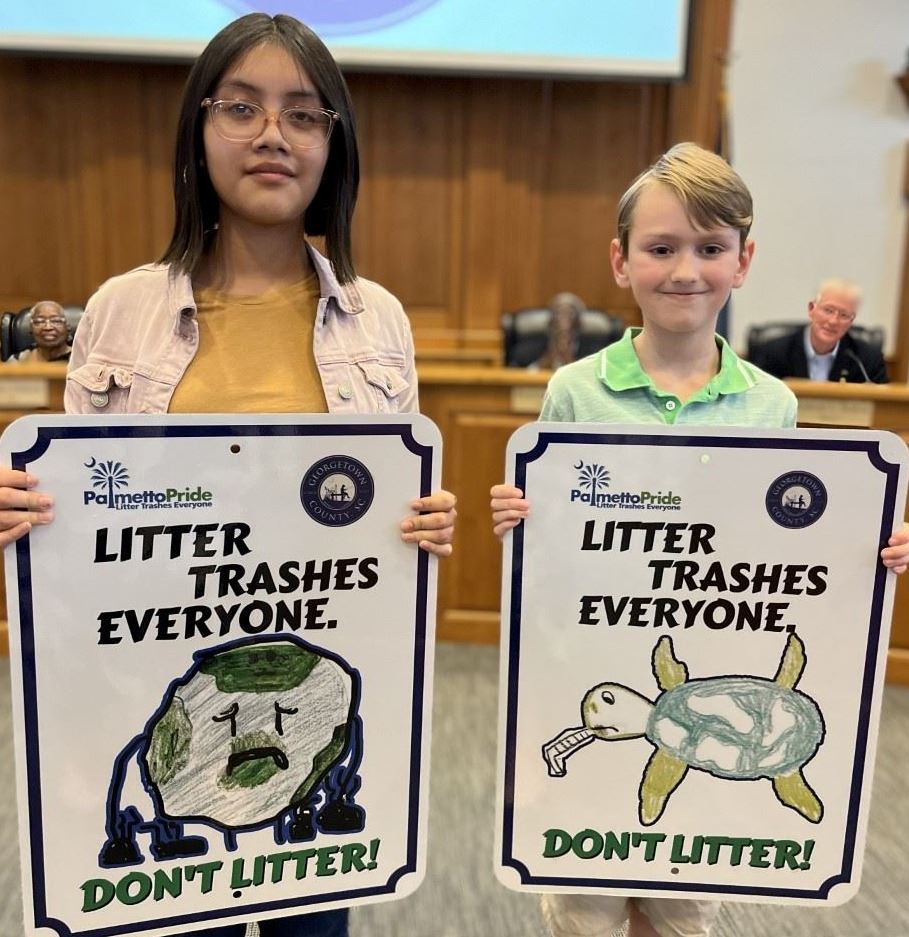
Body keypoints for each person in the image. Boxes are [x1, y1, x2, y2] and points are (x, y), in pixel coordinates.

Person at [0, 13, 456, 937]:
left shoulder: (379, 321)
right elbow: (82, 521)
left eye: (304, 114)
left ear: (335, 143)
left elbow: (386, 524)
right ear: (197, 132)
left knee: (309, 925)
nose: (272, 136)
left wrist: (425, 526)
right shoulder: (124, 310)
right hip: (164, 698)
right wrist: (25, 512)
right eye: (240, 107)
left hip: (312, 714)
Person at [490, 142, 909, 937]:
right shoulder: (572, 391)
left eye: (709, 248)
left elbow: (791, 563)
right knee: (583, 908)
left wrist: (869, 551)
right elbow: (544, 559)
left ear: (743, 262)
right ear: (620, 262)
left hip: (728, 681)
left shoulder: (771, 405)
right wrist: (517, 522)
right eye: (660, 248)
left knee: (683, 908)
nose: (685, 270)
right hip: (587, 658)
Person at [750, 279, 888, 383]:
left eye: (844, 315)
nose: (833, 321)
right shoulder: (773, 353)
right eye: (828, 310)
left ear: (851, 321)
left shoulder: (867, 359)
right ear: (811, 309)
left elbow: (880, 409)